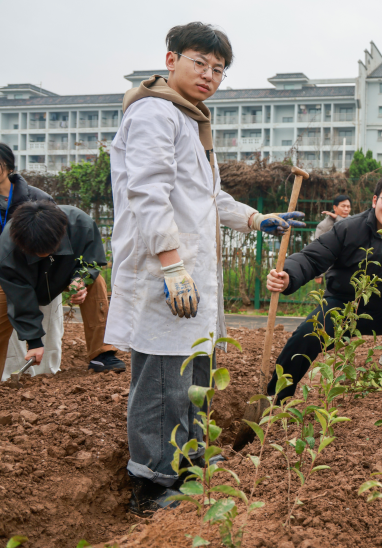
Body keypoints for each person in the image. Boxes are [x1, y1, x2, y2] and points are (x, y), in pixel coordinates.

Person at [104, 22, 306, 516]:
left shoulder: (190, 120)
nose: (209, 75)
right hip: (165, 274)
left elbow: (209, 197)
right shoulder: (154, 113)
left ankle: (189, 459)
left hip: (189, 277)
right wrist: (171, 266)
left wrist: (257, 219)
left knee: (193, 372)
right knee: (161, 382)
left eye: (218, 69)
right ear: (171, 60)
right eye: (200, 62)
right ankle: (151, 483)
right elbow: (148, 193)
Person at [266, 172, 382, 401]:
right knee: (306, 335)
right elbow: (311, 257)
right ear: (375, 200)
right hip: (343, 307)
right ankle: (276, 397)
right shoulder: (348, 228)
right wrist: (288, 275)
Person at [0, 202, 125, 378]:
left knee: (96, 282)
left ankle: (102, 355)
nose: (42, 254)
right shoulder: (8, 249)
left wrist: (80, 279)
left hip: (64, 273)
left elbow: (92, 261)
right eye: (36, 251)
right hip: (21, 281)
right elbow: (20, 296)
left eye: (48, 249)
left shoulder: (81, 225)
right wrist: (34, 342)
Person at [0, 144, 66, 380]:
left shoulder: (37, 198)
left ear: (8, 167)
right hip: (6, 270)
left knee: (93, 280)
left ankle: (103, 353)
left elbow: (55, 239)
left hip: (37, 267)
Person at [313, 194, 352, 284]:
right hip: (333, 270)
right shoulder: (324, 226)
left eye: (348, 207)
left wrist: (338, 218)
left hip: (350, 268)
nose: (346, 209)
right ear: (335, 207)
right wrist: (318, 274)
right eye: (343, 206)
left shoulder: (352, 221)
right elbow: (318, 249)